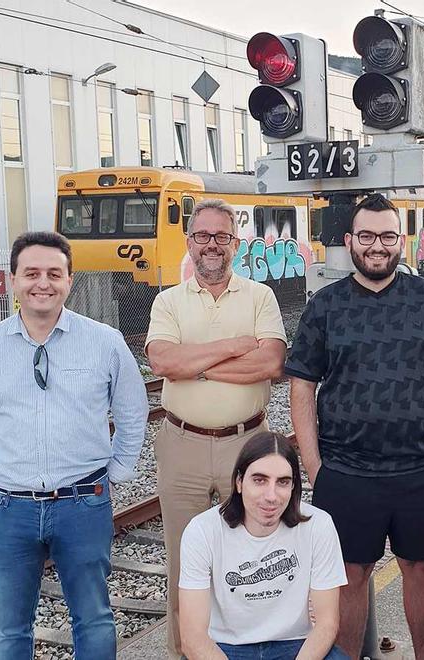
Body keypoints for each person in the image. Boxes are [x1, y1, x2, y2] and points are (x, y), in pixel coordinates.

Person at [287, 193, 424, 660]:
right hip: (347, 471)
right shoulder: (325, 306)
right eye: (366, 236)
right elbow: (301, 386)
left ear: (402, 242)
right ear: (350, 241)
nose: (377, 246)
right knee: (349, 576)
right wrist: (314, 466)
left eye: (387, 236)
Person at [0, 231, 148, 659]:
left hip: (83, 504)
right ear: (13, 280)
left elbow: (133, 411)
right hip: (8, 511)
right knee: (8, 626)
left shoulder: (105, 342)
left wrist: (116, 471)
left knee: (93, 617)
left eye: (54, 274)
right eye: (32, 273)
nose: (43, 283)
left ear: (69, 281)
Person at [146, 198, 287, 659]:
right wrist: (230, 348)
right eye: (202, 236)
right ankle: (185, 653)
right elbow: (163, 360)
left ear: (236, 243)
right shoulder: (167, 300)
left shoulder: (260, 296)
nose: (212, 245)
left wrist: (196, 364)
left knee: (248, 558)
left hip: (246, 446)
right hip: (181, 443)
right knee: (184, 561)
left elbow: (270, 361)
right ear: (190, 241)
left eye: (221, 236)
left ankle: (245, 649)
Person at [178, 431, 348, 660]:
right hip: (225, 647)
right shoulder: (202, 531)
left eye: (283, 482)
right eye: (259, 480)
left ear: (293, 487)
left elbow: (327, 624)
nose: (271, 496)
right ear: (239, 482)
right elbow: (193, 639)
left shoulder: (319, 525)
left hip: (295, 644)